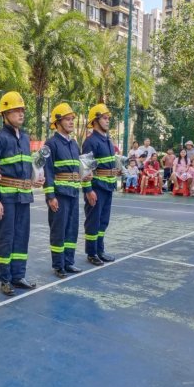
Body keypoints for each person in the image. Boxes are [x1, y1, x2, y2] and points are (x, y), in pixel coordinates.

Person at [0, 91, 44, 296]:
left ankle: (18, 276)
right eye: (15, 110)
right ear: (4, 114)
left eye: (22, 110)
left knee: (21, 237)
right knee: (5, 238)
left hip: (24, 196)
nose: (21, 114)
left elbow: (26, 167)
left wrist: (35, 178)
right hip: (6, 198)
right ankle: (5, 279)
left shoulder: (26, 138)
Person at [43, 103, 89, 278]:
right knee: (59, 230)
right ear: (57, 122)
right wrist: (50, 196)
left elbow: (78, 168)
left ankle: (69, 262)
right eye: (67, 119)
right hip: (60, 195)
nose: (71, 122)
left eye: (72, 119)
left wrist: (85, 176)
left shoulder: (74, 144)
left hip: (73, 193)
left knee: (72, 229)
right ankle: (58, 265)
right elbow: (47, 171)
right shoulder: (51, 143)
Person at [81, 104, 118, 266]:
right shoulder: (90, 142)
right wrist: (88, 190)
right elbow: (85, 169)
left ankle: (100, 250)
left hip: (108, 187)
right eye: (104, 118)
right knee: (93, 221)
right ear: (95, 121)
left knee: (103, 221)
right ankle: (91, 253)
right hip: (96, 188)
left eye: (108, 118)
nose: (108, 121)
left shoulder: (107, 139)